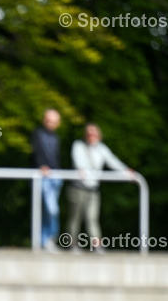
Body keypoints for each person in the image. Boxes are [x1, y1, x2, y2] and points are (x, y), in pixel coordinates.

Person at [67, 123, 133, 253]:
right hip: (78, 187)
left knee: (92, 217)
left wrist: (126, 170)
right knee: (75, 217)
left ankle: (96, 245)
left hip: (93, 189)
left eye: (94, 133)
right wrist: (82, 171)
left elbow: (112, 161)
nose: (91, 136)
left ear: (98, 135)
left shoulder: (102, 148)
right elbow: (78, 162)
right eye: (89, 133)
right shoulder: (78, 146)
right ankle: (72, 244)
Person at [32, 108, 63, 251]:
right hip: (43, 177)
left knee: (50, 210)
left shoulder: (56, 137)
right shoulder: (38, 134)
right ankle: (46, 239)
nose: (51, 123)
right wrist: (41, 166)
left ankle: (46, 240)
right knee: (50, 209)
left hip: (56, 176)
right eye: (49, 120)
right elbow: (37, 153)